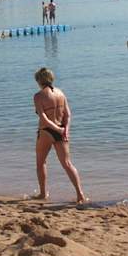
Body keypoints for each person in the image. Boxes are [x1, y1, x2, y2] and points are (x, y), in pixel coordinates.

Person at [32, 67, 87, 203]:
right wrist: (65, 130)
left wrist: (56, 129)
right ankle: (80, 194)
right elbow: (68, 115)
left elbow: (44, 118)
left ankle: (43, 193)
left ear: (39, 80)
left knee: (41, 163)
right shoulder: (61, 93)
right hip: (61, 131)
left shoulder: (38, 96)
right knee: (67, 163)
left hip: (47, 131)